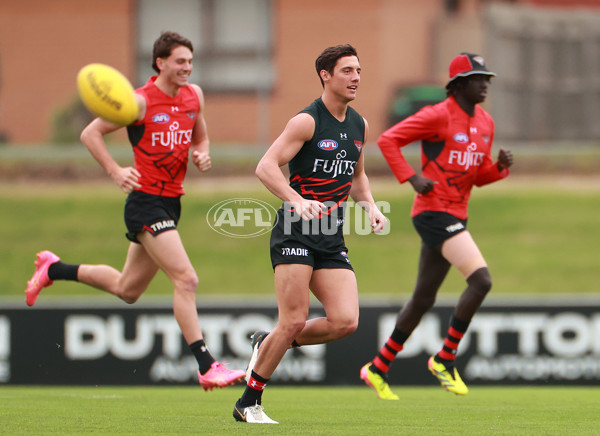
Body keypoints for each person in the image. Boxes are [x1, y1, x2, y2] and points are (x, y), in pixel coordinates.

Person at [24, 31, 245, 390]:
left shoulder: (194, 96)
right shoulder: (139, 102)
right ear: (160, 63)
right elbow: (90, 134)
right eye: (180, 61)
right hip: (145, 201)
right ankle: (206, 364)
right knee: (186, 279)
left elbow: (199, 135)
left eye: (190, 61)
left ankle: (54, 268)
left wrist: (202, 151)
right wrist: (115, 170)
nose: (187, 68)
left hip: (172, 202)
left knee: (128, 289)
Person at [232, 44, 387, 424]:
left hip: (331, 235)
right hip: (295, 232)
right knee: (294, 320)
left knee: (345, 321)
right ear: (326, 75)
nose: (356, 78)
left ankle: (267, 343)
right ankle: (248, 403)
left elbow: (357, 174)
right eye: (347, 71)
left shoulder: (360, 125)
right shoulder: (307, 121)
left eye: (359, 71)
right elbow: (265, 167)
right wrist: (295, 199)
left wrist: (369, 206)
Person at [360, 52, 514, 399]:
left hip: (456, 214)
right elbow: (388, 140)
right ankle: (445, 358)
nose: (486, 83)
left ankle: (377, 366)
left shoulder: (486, 123)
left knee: (423, 299)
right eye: (478, 78)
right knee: (481, 280)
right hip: (432, 212)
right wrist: (412, 178)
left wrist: (499, 168)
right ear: (458, 84)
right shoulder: (437, 115)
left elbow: (476, 176)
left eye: (487, 77)